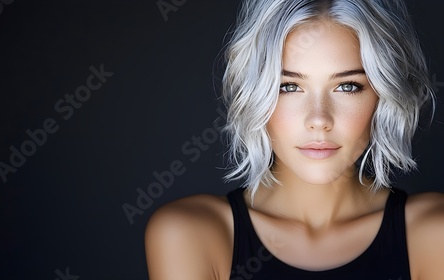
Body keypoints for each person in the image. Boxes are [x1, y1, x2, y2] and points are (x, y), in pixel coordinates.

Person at [145, 0, 444, 279]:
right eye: (289, 87)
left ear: (383, 94)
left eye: (348, 86)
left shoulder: (434, 232)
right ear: (255, 94)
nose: (318, 120)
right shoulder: (189, 234)